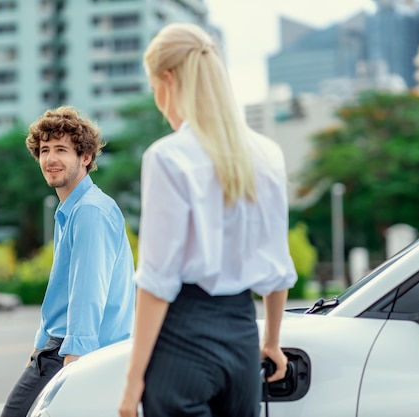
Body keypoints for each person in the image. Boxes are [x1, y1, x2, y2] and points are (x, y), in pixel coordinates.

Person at [118, 23, 298, 417]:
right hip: (242, 340)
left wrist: (132, 383)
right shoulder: (267, 154)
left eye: (154, 90)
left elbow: (156, 280)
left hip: (183, 340)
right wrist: (271, 340)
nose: (157, 102)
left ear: (167, 79)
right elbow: (278, 268)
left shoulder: (168, 157)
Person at [1, 106, 136, 417]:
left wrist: (74, 366)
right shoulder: (71, 211)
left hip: (74, 354)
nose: (50, 159)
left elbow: (87, 294)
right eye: (44, 150)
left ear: (85, 157)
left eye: (61, 149)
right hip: (58, 350)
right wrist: (37, 347)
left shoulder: (90, 211)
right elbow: (63, 292)